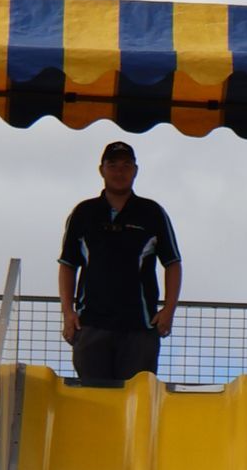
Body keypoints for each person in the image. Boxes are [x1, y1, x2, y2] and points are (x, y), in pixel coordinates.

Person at [58, 141, 181, 387]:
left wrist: (169, 309)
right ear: (101, 170)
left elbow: (173, 263)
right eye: (112, 165)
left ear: (135, 170)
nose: (119, 172)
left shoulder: (152, 212)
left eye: (126, 165)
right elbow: (67, 265)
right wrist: (68, 312)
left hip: (140, 328)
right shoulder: (84, 213)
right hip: (91, 324)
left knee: (136, 403)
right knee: (94, 402)